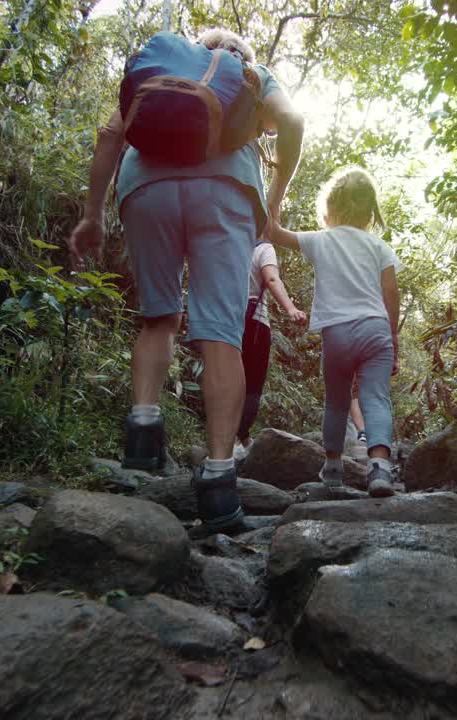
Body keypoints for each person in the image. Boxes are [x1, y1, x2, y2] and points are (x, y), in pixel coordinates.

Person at [69, 29, 304, 531]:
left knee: (158, 319)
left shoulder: (163, 70)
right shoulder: (252, 76)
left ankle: (142, 437)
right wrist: (276, 199)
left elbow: (112, 135)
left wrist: (93, 215)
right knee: (220, 335)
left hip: (144, 189)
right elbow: (293, 121)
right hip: (225, 193)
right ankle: (219, 485)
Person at [268, 167, 400, 497]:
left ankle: (333, 468)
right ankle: (380, 468)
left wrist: (275, 193)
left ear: (330, 207)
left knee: (337, 402)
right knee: (376, 397)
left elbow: (272, 231)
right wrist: (393, 338)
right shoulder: (379, 247)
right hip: (376, 329)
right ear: (370, 211)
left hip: (337, 333)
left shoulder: (320, 239)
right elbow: (391, 293)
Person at [234, 238, 306, 461]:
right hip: (253, 321)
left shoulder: (229, 242)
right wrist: (291, 308)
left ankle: (238, 438)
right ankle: (236, 441)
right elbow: (271, 278)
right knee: (251, 385)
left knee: (227, 379)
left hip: (223, 316)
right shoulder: (263, 248)